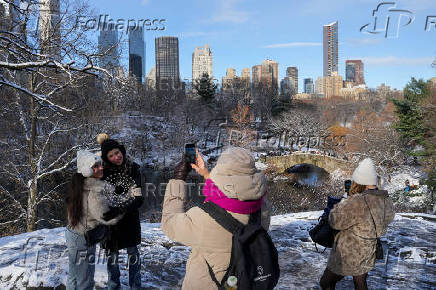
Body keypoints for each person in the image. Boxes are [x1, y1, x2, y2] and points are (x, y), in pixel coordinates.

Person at [161, 147, 271, 289]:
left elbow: (169, 222)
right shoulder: (263, 207)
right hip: (245, 279)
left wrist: (179, 178)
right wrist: (206, 174)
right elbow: (234, 197)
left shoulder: (204, 218)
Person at [319, 158, 395, 290]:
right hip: (368, 251)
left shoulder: (356, 202)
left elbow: (334, 221)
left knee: (326, 282)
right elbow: (388, 218)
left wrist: (342, 204)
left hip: (347, 253)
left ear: (361, 181)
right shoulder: (385, 199)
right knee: (360, 284)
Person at [65, 150, 124, 290]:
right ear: (87, 170)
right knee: (85, 281)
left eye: (100, 164)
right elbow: (106, 218)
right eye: (96, 166)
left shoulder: (79, 184)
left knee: (74, 275)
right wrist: (121, 210)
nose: (101, 167)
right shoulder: (96, 191)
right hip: (83, 239)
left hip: (72, 233)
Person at [97, 133, 143, 290]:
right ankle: (114, 287)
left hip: (129, 220)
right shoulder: (102, 173)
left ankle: (136, 286)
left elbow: (138, 199)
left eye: (117, 152)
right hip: (111, 224)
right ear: (106, 158)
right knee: (112, 258)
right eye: (111, 155)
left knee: (133, 255)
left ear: (121, 150)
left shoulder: (133, 169)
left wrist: (120, 208)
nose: (116, 157)